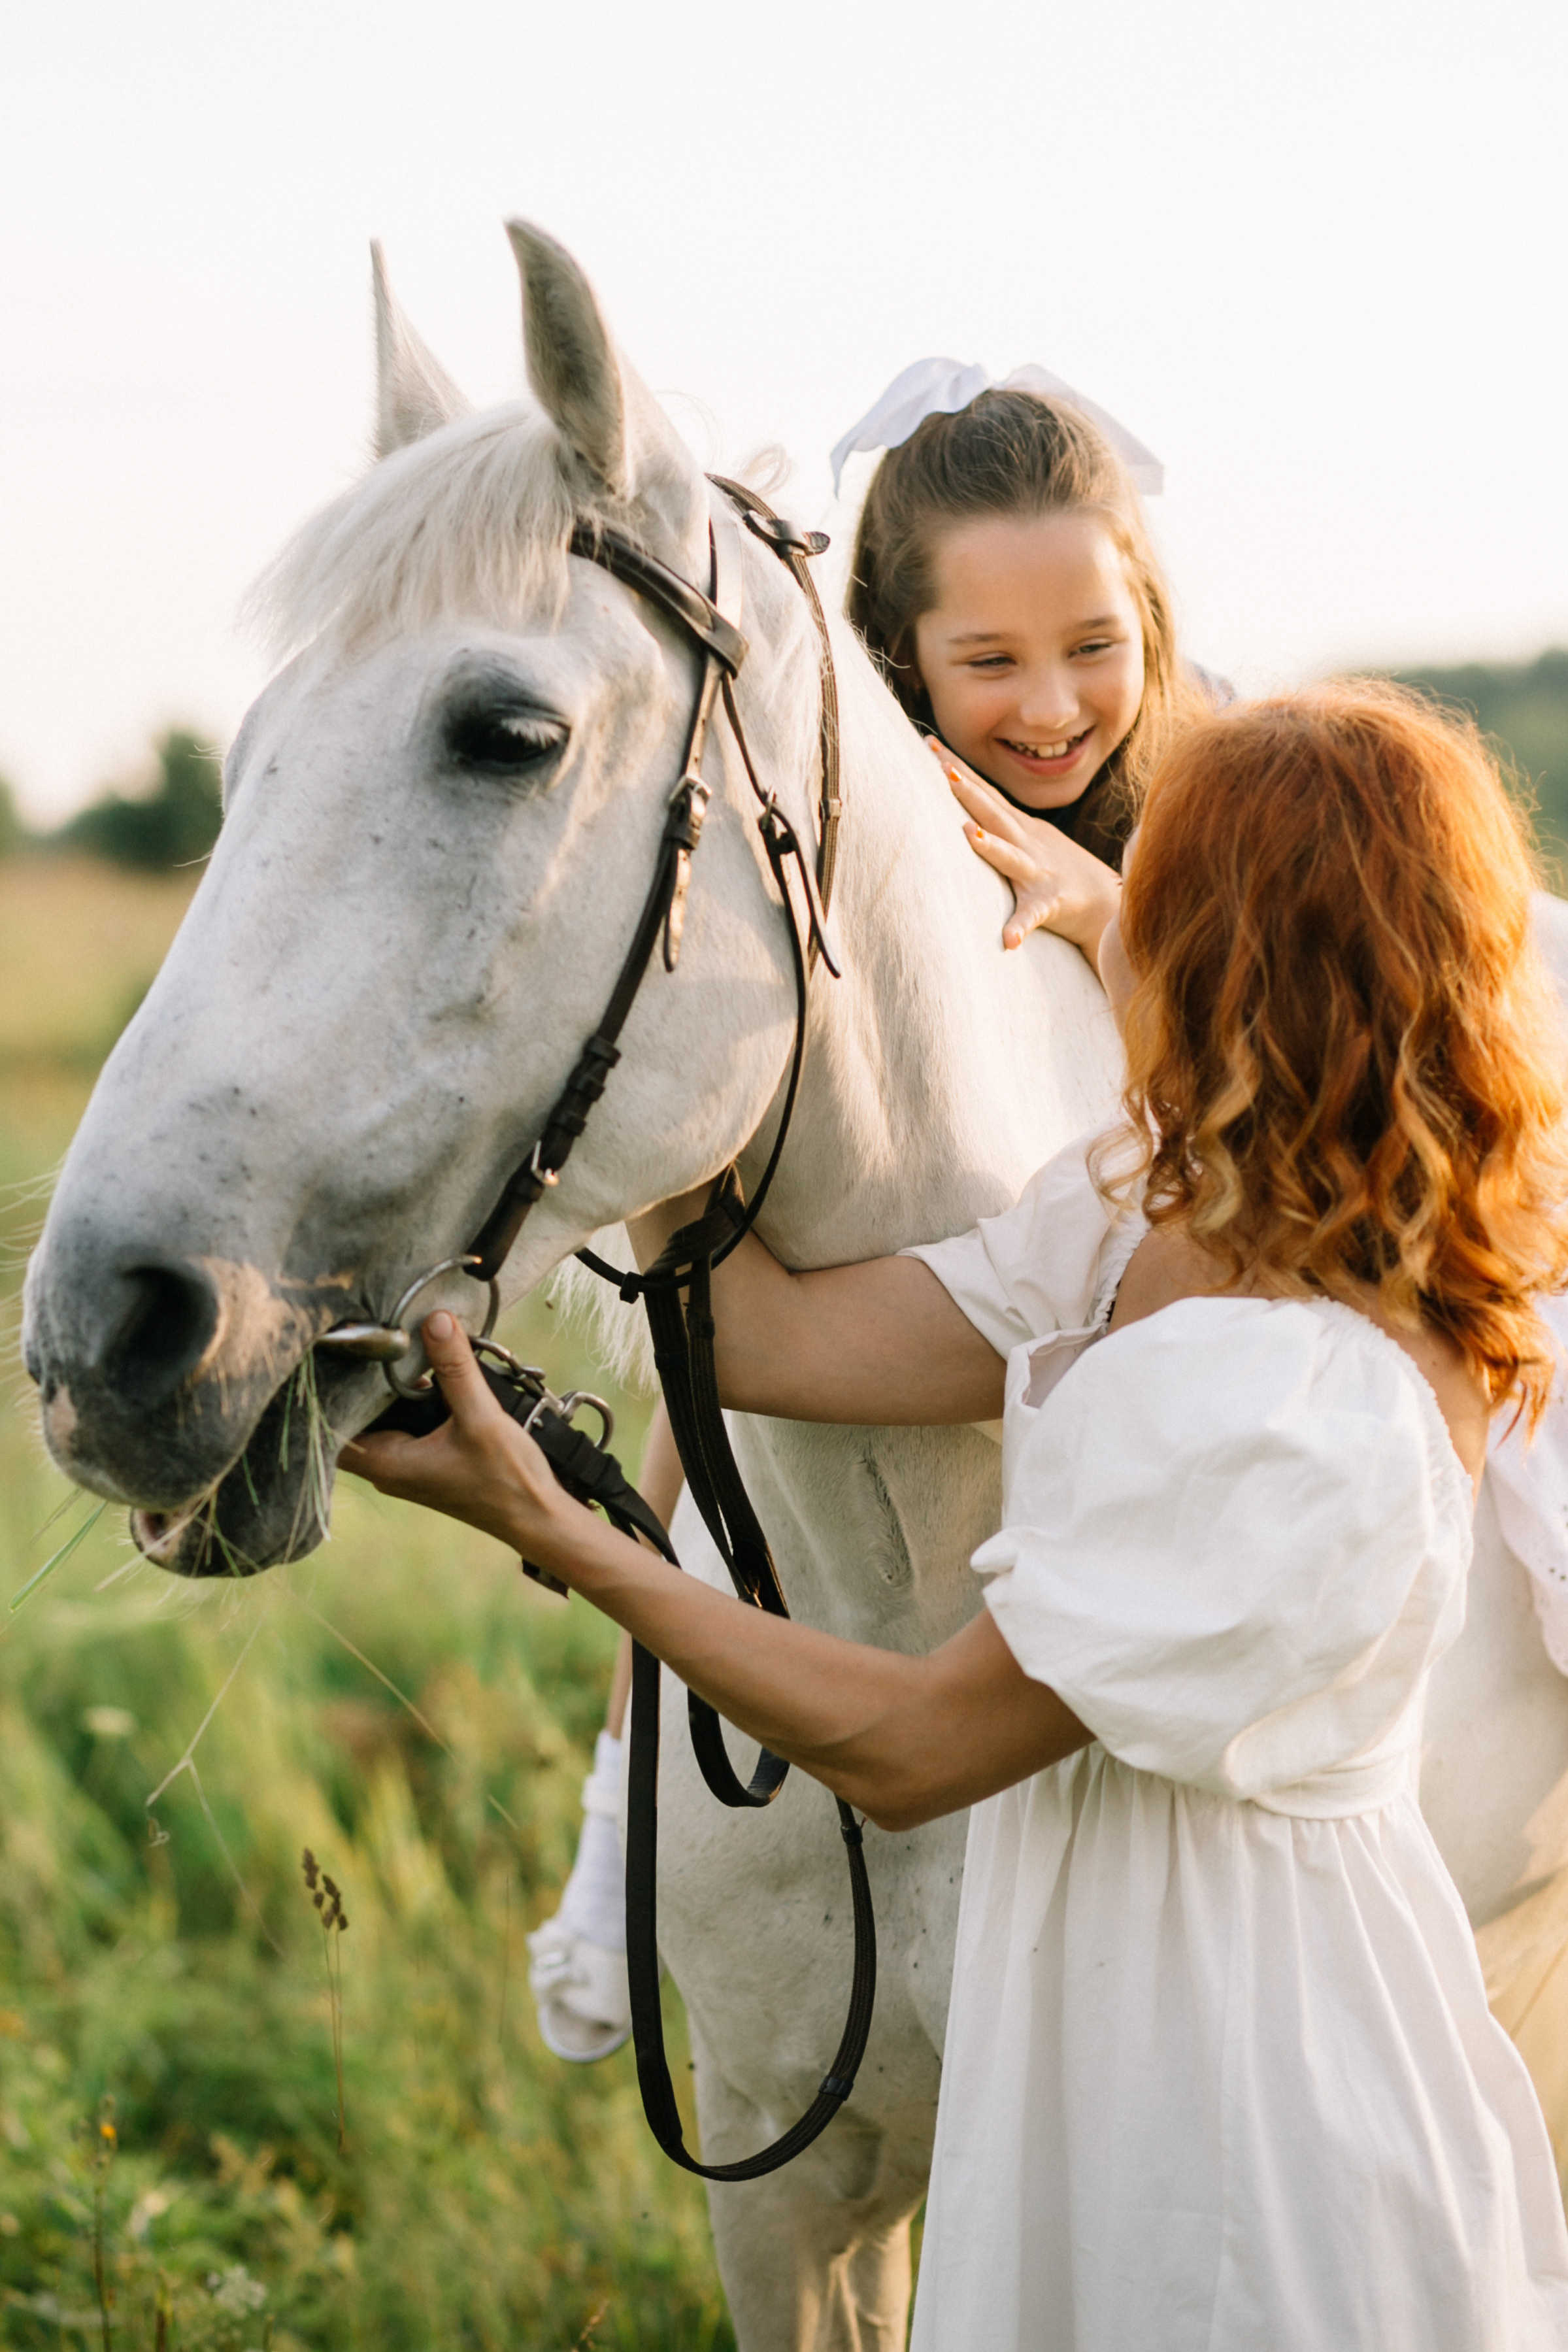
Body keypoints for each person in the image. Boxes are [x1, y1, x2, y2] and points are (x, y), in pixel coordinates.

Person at [346, 684, 1568, 2347]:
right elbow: (765, 1335)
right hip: (1092, 2027)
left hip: (1249, 2086)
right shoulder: (1149, 1220)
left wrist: (564, 1531)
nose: (1109, 927)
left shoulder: (1313, 1406)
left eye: (1159, 899)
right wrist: (677, 1024)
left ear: (1234, 965)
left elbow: (919, 1745)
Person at [526, 362, 1207, 2057]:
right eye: (989, 661)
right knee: (709, 1415)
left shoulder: (1206, 826)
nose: (1052, 706)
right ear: (901, 659)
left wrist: (1120, 920)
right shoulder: (852, 838)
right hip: (869, 1306)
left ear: (1151, 620)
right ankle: (623, 1805)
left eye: (1093, 646)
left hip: (1113, 1336)